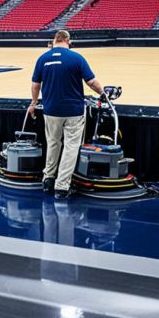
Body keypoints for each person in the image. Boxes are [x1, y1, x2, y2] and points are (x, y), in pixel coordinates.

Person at [28, 30, 104, 199]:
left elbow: (35, 85)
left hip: (51, 110)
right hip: (73, 112)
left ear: (55, 41)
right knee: (70, 147)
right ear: (68, 41)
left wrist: (33, 103)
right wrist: (103, 93)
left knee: (53, 143)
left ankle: (48, 179)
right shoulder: (76, 58)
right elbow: (91, 82)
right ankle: (62, 186)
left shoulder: (43, 58)